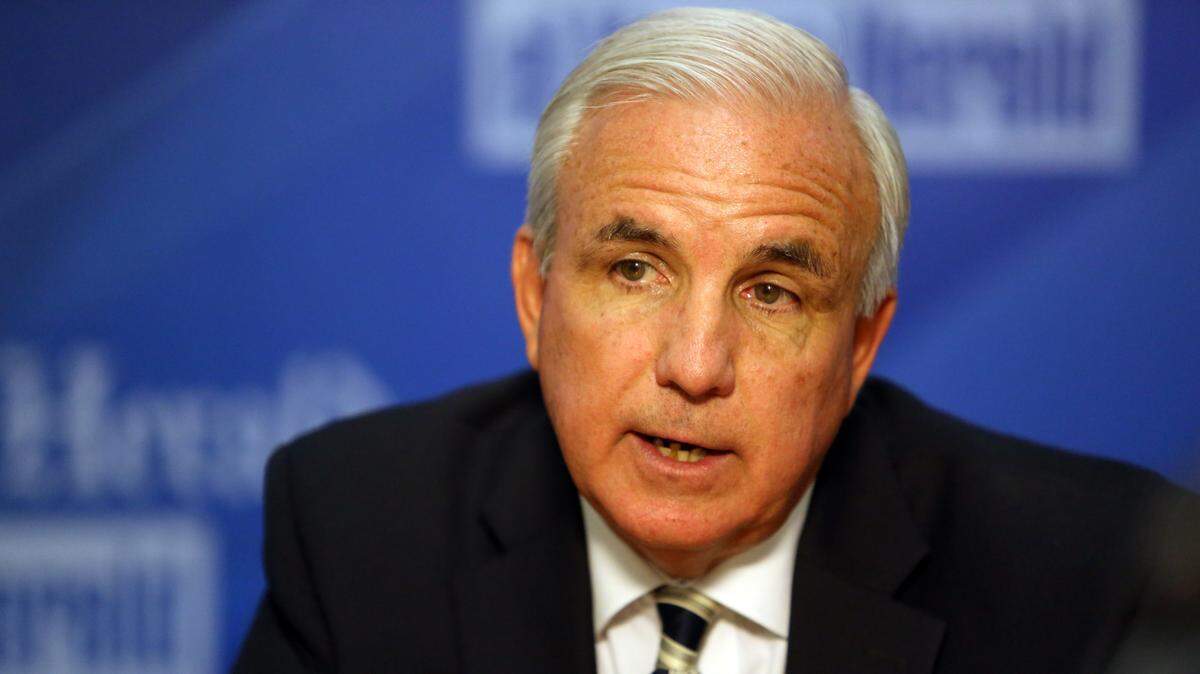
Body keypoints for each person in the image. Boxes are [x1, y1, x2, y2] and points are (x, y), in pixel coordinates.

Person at [233, 8, 1197, 673]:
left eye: (773, 293)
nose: (695, 367)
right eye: (634, 270)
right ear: (534, 296)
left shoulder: (1086, 578)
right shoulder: (360, 534)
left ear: (861, 346)